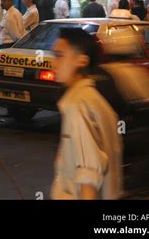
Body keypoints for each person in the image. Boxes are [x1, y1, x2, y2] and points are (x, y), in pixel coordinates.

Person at [51, 27, 122, 200]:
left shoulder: (78, 105)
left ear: (81, 60)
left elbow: (88, 175)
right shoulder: (93, 98)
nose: (53, 63)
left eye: (60, 56)